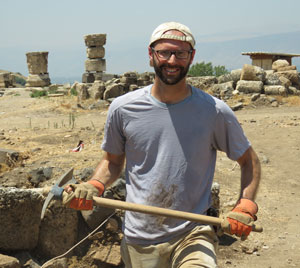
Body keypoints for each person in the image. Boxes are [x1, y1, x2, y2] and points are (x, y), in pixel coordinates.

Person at [63, 22, 261, 267]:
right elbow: (112, 162)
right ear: (151, 55)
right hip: (139, 238)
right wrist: (94, 185)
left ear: (191, 57)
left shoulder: (214, 111)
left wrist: (246, 206)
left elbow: (249, 161)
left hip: (194, 232)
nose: (172, 60)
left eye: (181, 53)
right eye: (164, 52)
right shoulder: (123, 109)